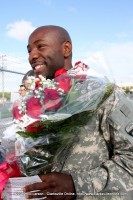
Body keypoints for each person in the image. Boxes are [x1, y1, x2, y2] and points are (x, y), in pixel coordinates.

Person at [22, 25, 133, 200]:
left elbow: (130, 162)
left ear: (66, 49)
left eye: (40, 46)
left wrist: (76, 185)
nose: (32, 56)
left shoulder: (102, 94)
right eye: (29, 50)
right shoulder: (34, 101)